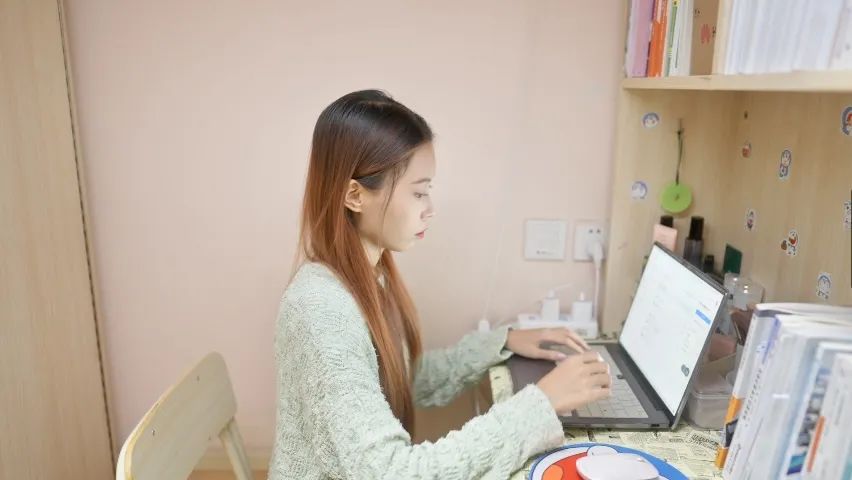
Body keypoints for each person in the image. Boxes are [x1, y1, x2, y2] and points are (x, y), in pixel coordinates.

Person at [269, 90, 612, 479]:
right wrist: (541, 404)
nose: (429, 209)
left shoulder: (366, 277)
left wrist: (502, 343)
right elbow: (393, 473)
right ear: (354, 195)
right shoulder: (321, 310)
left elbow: (401, 380)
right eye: (418, 192)